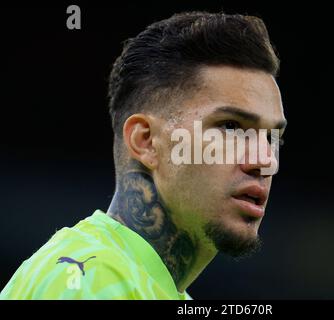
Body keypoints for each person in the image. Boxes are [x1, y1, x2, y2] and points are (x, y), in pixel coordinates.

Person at [0, 11, 287, 300]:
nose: (266, 161)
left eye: (272, 137)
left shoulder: (145, 285)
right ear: (146, 141)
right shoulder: (90, 278)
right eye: (231, 127)